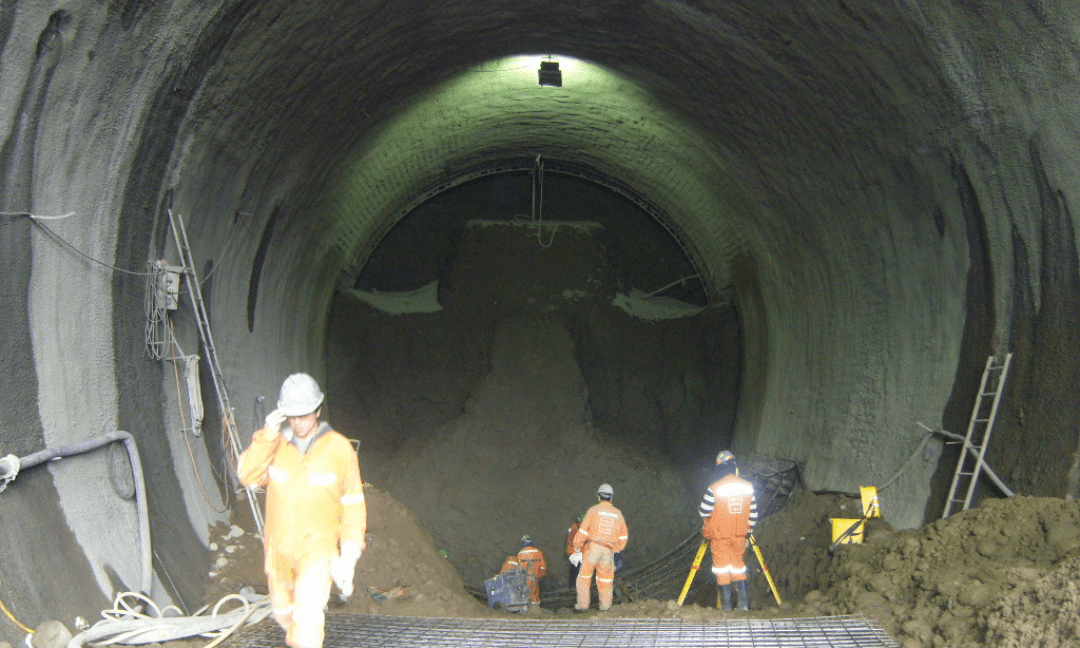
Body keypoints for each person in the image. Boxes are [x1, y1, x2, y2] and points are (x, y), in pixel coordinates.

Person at [238, 373, 367, 648]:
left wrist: (349, 556)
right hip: (279, 552)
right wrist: (267, 434)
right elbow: (248, 476)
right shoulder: (274, 445)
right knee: (285, 614)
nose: (297, 423)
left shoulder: (339, 450)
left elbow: (353, 505)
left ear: (318, 410)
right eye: (292, 416)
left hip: (317, 552)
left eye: (304, 415)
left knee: (307, 621)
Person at [698, 450, 757, 611]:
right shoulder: (748, 487)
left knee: (722, 569)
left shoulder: (715, 488)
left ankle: (726, 608)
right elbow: (753, 514)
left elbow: (703, 511)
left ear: (719, 469)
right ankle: (743, 606)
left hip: (720, 537)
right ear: (734, 466)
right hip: (740, 536)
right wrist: (748, 535)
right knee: (738, 567)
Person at [570, 483, 628, 612]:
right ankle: (605, 607)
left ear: (598, 497)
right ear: (611, 498)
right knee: (606, 581)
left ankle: (583, 606)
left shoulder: (593, 511)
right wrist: (617, 550)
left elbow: (583, 531)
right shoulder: (618, 514)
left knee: (584, 577)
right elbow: (623, 536)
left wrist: (577, 547)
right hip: (608, 551)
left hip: (593, 548)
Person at [513, 535, 547, 604]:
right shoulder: (538, 552)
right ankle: (536, 609)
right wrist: (539, 575)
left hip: (526, 579)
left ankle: (528, 610)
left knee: (526, 596)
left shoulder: (520, 553)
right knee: (535, 595)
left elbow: (519, 569)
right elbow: (543, 566)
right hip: (535, 578)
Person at [565, 514, 583, 587]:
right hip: (576, 554)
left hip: (576, 553)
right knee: (577, 572)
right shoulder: (575, 529)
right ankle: (575, 588)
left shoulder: (575, 527)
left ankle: (574, 587)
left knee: (575, 572)